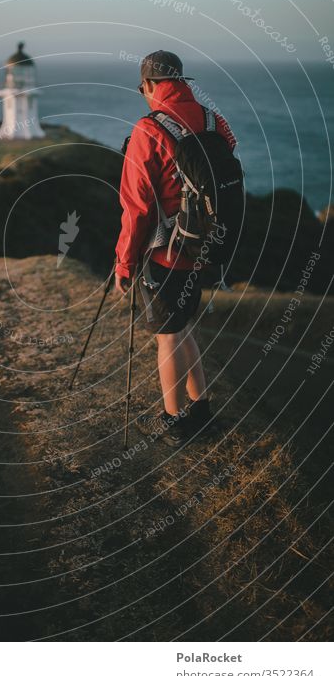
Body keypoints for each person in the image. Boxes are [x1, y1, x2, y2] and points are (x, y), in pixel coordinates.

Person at [115, 50, 237, 447]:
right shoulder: (210, 118)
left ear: (149, 85)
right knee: (183, 327)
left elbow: (136, 208)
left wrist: (124, 264)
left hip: (164, 252)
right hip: (203, 244)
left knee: (167, 336)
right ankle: (200, 411)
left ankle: (174, 422)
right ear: (181, 80)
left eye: (142, 88)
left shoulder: (148, 130)